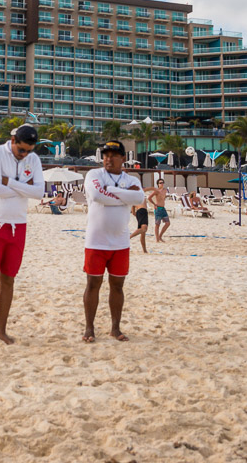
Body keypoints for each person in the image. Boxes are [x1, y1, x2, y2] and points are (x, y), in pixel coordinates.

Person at [0, 123, 44, 345]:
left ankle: (1, 329)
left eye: (29, 151)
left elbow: (39, 192)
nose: (25, 154)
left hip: (18, 223)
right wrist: (23, 187)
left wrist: (10, 182)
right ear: (13, 140)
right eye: (22, 149)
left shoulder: (33, 160)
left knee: (9, 279)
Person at [82, 140, 144, 342]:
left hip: (120, 242)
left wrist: (114, 191)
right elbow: (96, 195)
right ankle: (89, 328)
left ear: (123, 158)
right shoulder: (94, 175)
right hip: (96, 240)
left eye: (113, 155)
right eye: (105, 154)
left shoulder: (131, 177)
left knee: (118, 286)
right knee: (93, 284)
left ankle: (115, 328)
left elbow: (139, 198)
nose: (108, 158)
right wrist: (126, 196)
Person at [148, 178, 170, 243]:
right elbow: (149, 197)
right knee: (157, 224)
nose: (162, 184)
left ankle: (160, 236)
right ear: (158, 184)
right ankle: (157, 239)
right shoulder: (156, 191)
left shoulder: (165, 190)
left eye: (163, 182)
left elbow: (164, 197)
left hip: (163, 208)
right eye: (160, 183)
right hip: (158, 209)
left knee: (167, 223)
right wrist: (154, 204)